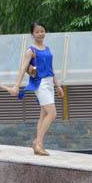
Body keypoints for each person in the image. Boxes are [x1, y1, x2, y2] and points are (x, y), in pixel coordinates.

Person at [9, 22, 64, 156]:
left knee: (43, 115)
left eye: (42, 31)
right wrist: (16, 85)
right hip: (40, 83)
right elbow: (23, 68)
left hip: (50, 82)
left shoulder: (47, 48)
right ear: (32, 34)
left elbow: (51, 69)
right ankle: (37, 143)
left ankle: (39, 144)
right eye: (37, 31)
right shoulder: (31, 50)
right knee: (52, 113)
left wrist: (58, 85)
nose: (40, 33)